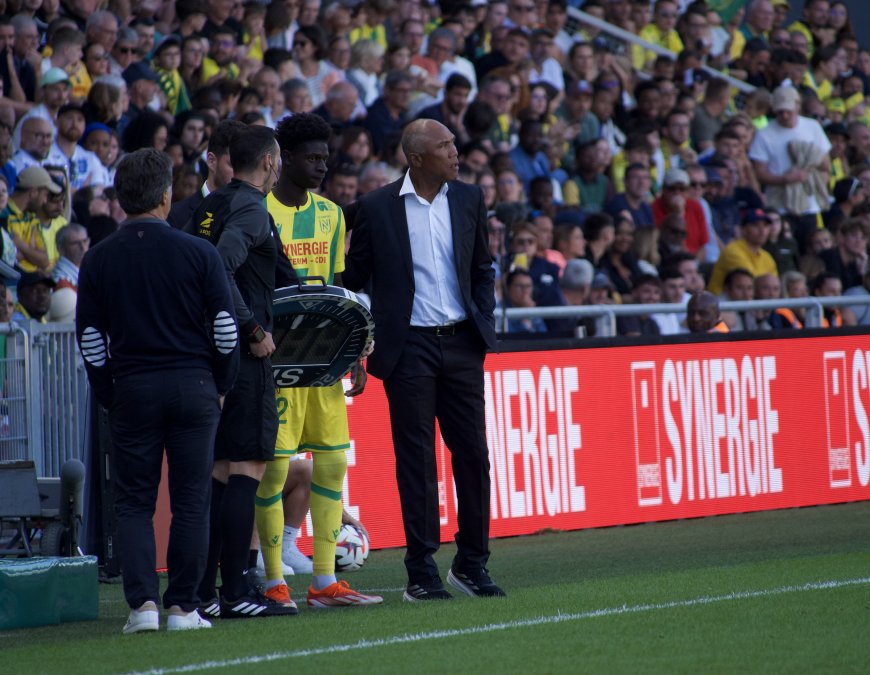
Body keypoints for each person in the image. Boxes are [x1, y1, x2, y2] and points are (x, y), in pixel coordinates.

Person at [76, 148, 240, 634]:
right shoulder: (199, 251)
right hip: (194, 387)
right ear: (167, 195)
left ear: (122, 198)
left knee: (134, 502)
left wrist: (109, 391)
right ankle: (183, 608)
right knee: (192, 501)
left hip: (133, 388)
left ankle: (143, 606)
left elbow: (91, 340)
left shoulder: (98, 258)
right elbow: (226, 329)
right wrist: (222, 385)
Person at [344, 119, 504, 601]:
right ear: (416, 158)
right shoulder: (375, 207)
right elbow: (355, 277)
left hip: (461, 344)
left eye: (455, 143)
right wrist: (357, 341)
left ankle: (472, 563)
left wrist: (483, 316)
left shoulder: (470, 198)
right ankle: (421, 571)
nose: (457, 152)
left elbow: (481, 267)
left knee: (474, 456)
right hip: (407, 348)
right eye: (445, 146)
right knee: (416, 461)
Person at [255, 112, 382, 609]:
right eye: (312, 158)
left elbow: (338, 287)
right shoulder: (256, 209)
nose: (321, 167)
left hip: (324, 360)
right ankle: (271, 582)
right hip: (275, 361)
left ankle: (325, 582)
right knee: (272, 469)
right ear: (283, 159)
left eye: (326, 159)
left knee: (332, 463)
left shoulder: (331, 214)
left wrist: (354, 354)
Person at [187, 124, 297, 619]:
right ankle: (234, 593)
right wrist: (252, 327)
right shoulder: (252, 208)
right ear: (271, 163)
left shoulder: (208, 204)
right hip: (245, 358)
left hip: (208, 355)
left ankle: (205, 591)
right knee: (247, 469)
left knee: (217, 473)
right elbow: (218, 265)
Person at [168, 120, 246, 230]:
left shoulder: (256, 217)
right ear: (211, 161)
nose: (242, 174)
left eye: (246, 166)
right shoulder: (176, 216)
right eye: (233, 165)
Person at [707, 209, 779, 295]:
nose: (762, 231)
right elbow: (750, 283)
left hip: (750, 304)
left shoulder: (767, 257)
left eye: (765, 226)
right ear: (743, 230)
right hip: (723, 304)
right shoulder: (732, 251)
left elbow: (774, 285)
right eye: (755, 225)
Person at [48, 223, 90, 322]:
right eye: (76, 243)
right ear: (61, 249)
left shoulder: (86, 271)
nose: (83, 248)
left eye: (85, 241)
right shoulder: (60, 280)